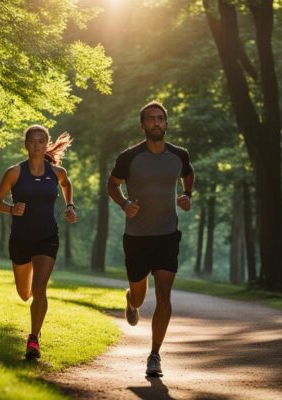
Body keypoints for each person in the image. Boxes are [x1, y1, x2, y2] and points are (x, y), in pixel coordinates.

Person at [107, 101, 194, 377]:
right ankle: (131, 301)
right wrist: (123, 203)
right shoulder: (129, 157)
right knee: (140, 295)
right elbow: (112, 184)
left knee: (164, 293)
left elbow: (189, 175)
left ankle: (154, 354)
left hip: (167, 235)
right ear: (142, 125)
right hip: (136, 237)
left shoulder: (179, 155)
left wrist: (187, 195)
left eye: (160, 119)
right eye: (151, 119)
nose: (156, 123)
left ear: (166, 124)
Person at [0, 124, 77, 360]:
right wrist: (11, 209)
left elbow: (67, 185)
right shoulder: (14, 173)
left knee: (40, 288)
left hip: (47, 237)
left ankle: (34, 338)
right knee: (24, 293)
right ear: (26, 144)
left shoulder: (57, 173)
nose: (36, 145)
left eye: (41, 141)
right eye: (32, 141)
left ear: (46, 143)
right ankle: (33, 322)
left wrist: (70, 205)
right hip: (20, 239)